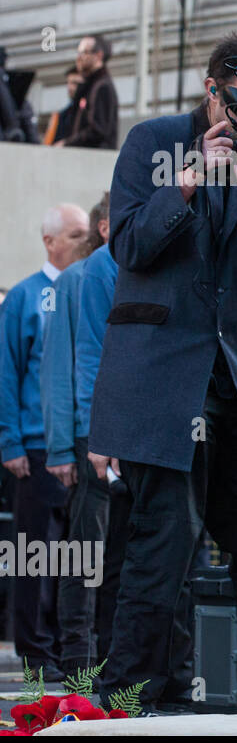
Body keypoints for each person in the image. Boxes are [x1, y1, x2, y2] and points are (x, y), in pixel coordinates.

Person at [88, 30, 237, 714]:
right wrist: (187, 182)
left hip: (235, 372)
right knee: (166, 538)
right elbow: (129, 245)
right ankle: (126, 695)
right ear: (213, 90)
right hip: (162, 376)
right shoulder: (153, 142)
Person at [1, 203, 90, 681]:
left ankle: (71, 647)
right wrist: (10, 442)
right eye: (75, 234)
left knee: (76, 554)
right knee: (37, 551)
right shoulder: (25, 297)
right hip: (35, 447)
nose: (83, 241)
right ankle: (36, 653)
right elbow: (6, 374)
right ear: (49, 241)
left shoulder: (87, 289)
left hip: (77, 442)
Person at [40, 194, 108, 674]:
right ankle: (79, 660)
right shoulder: (76, 281)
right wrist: (62, 446)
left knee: (127, 553)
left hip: (137, 436)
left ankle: (117, 658)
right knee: (85, 551)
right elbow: (58, 369)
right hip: (89, 438)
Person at [75, 197, 131, 674]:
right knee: (105, 553)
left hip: (160, 427)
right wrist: (100, 433)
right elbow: (92, 355)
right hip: (114, 433)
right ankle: (99, 662)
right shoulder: (100, 267)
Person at [57, 35, 118, 150]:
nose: (78, 58)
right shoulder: (91, 85)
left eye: (84, 52)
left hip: (94, 160)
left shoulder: (102, 87)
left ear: (98, 55)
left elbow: (98, 131)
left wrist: (66, 144)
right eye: (78, 53)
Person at [43, 67, 82, 145]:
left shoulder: (85, 111)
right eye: (68, 83)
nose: (70, 88)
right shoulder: (61, 115)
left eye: (74, 83)